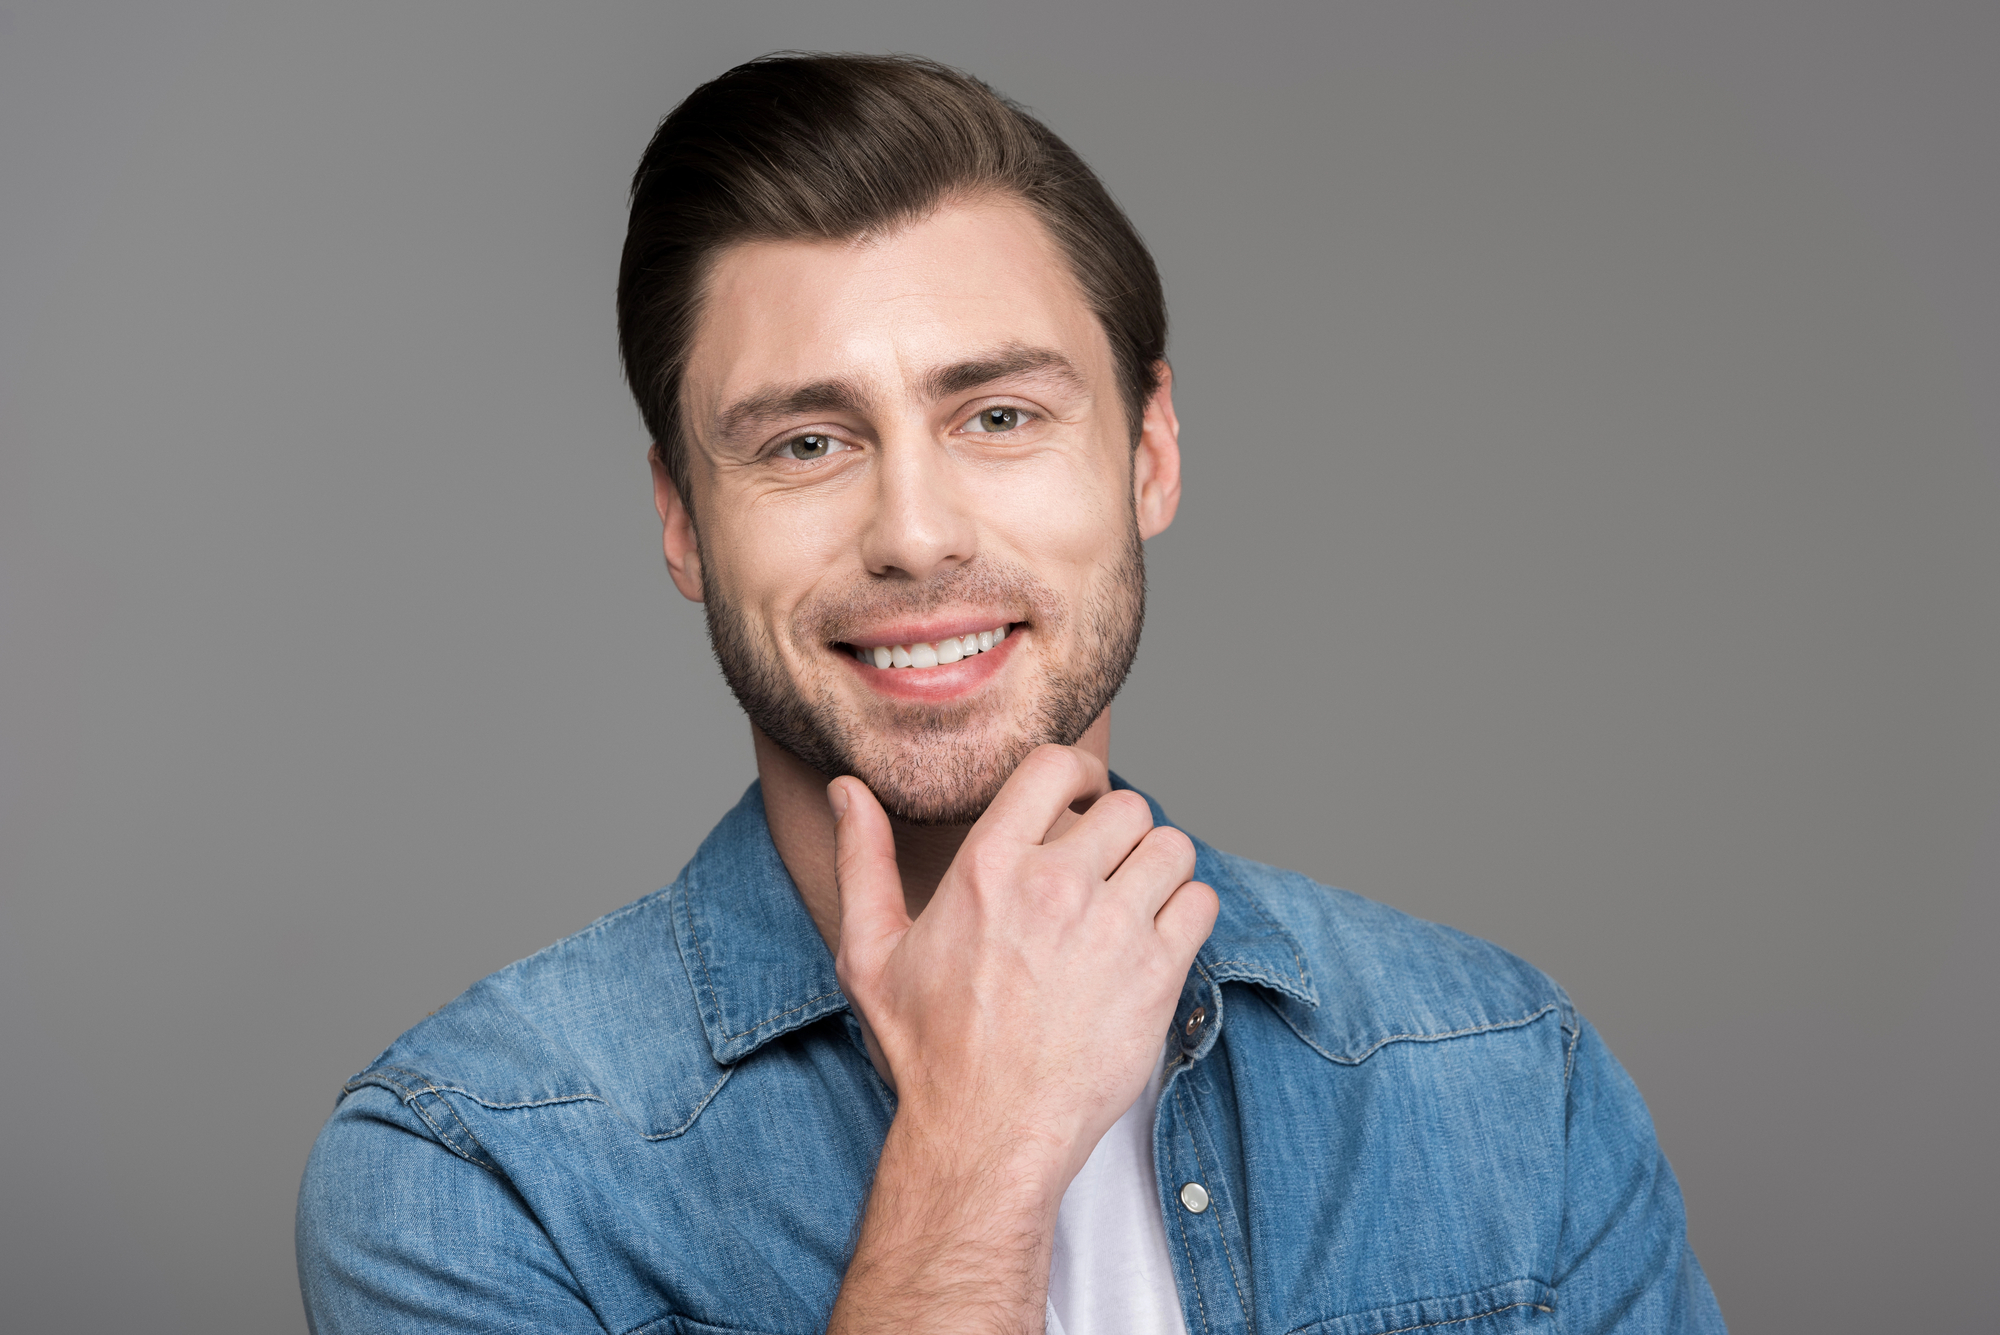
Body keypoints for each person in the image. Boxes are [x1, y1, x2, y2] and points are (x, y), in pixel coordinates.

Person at [297, 53, 1725, 1335]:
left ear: (1149, 453)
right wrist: (975, 1157)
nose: (916, 532)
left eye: (998, 417)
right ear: (682, 519)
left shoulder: (1505, 1083)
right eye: (804, 442)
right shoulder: (471, 1173)